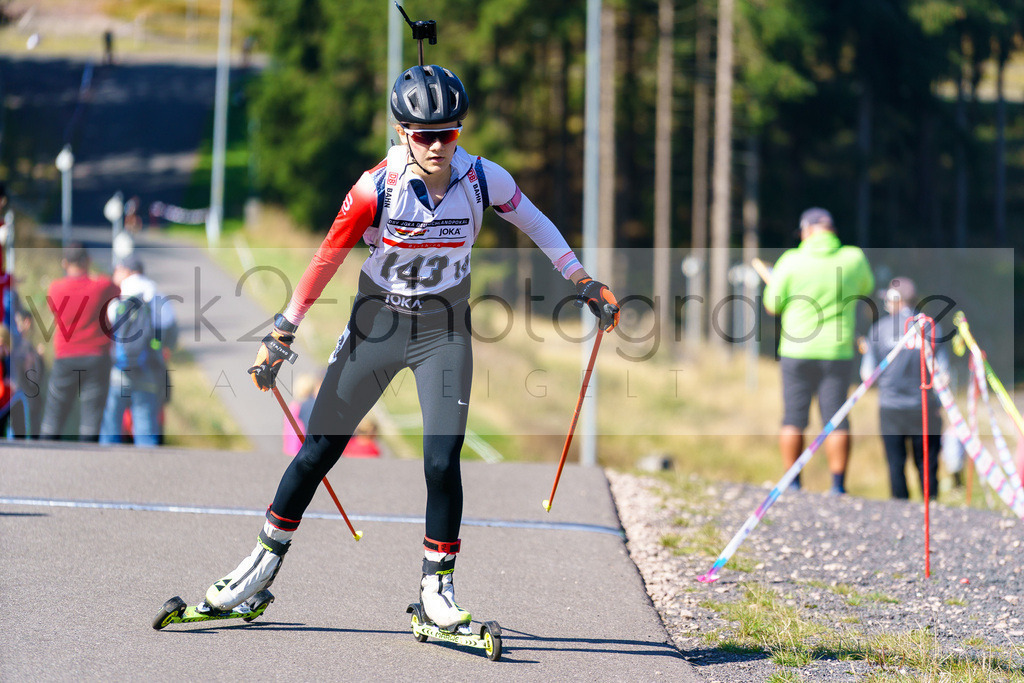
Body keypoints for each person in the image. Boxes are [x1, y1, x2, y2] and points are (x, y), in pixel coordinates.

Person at [200, 64, 620, 631]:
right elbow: (327, 257)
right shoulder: (376, 188)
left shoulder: (482, 178)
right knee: (318, 449)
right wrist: (283, 331)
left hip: (443, 330)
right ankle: (257, 570)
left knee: (442, 459)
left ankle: (436, 588)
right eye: (424, 135)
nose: (438, 145)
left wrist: (582, 281)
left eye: (448, 132)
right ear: (402, 133)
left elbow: (539, 225)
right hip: (377, 324)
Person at [763, 208, 874, 494]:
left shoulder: (791, 261)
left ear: (807, 231)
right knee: (836, 418)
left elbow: (772, 305)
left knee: (793, 418)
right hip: (837, 350)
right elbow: (866, 288)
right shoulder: (854, 258)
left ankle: (793, 484)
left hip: (796, 350)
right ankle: (837, 486)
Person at [860, 278, 947, 500]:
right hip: (924, 407)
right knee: (927, 463)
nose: (885, 303)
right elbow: (942, 374)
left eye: (888, 299)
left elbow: (867, 375)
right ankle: (932, 507)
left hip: (890, 407)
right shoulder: (931, 326)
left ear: (896, 300)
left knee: (895, 464)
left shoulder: (878, 329)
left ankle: (900, 514)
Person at [40, 244, 119, 441]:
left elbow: (54, 310)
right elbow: (116, 289)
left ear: (64, 263)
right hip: (96, 356)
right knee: (92, 415)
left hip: (65, 356)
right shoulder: (101, 286)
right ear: (88, 261)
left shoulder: (56, 288)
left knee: (54, 412)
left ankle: (42, 453)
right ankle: (86, 459)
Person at [99, 254, 176, 447]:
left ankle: (103, 466)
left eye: (118, 269)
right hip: (147, 367)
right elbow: (171, 332)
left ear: (128, 271)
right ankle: (146, 469)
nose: (115, 273)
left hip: (120, 367)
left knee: (111, 422)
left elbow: (108, 328)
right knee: (145, 423)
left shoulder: (117, 296)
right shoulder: (157, 295)